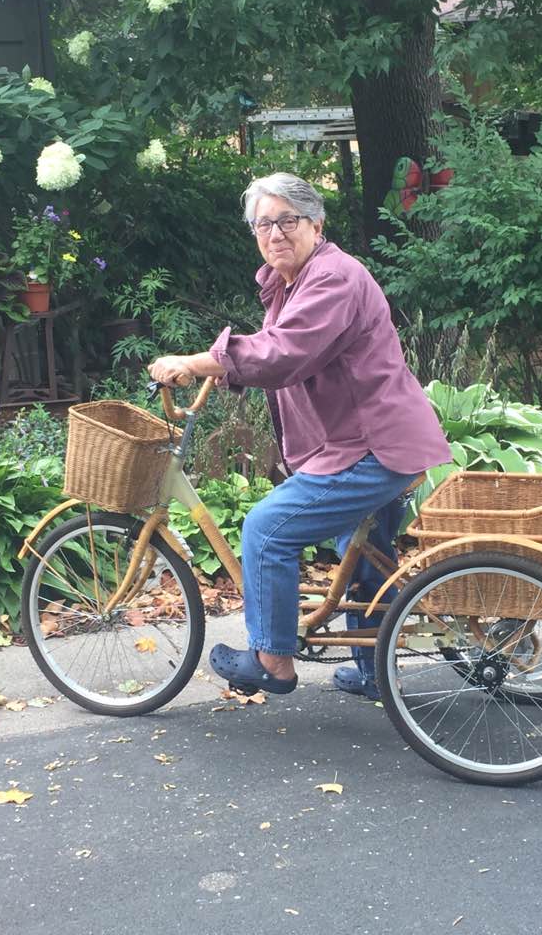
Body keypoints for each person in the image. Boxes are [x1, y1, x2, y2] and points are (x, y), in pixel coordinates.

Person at [148, 172, 451, 698]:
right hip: (374, 440)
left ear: (316, 223)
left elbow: (285, 352)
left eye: (288, 220)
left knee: (267, 530)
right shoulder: (293, 281)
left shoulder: (332, 278)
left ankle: (272, 661)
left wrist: (199, 363)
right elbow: (283, 347)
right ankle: (376, 671)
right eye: (263, 224)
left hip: (371, 446)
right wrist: (228, 370)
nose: (275, 233)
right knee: (363, 551)